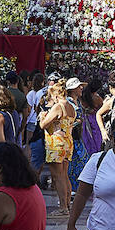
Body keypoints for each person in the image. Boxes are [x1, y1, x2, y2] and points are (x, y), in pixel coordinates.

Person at [38, 80, 75, 216]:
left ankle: (63, 207)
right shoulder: (71, 106)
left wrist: (42, 116)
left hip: (56, 144)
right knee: (64, 175)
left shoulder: (58, 106)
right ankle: (67, 205)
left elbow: (43, 125)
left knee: (58, 176)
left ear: (56, 95)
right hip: (67, 143)